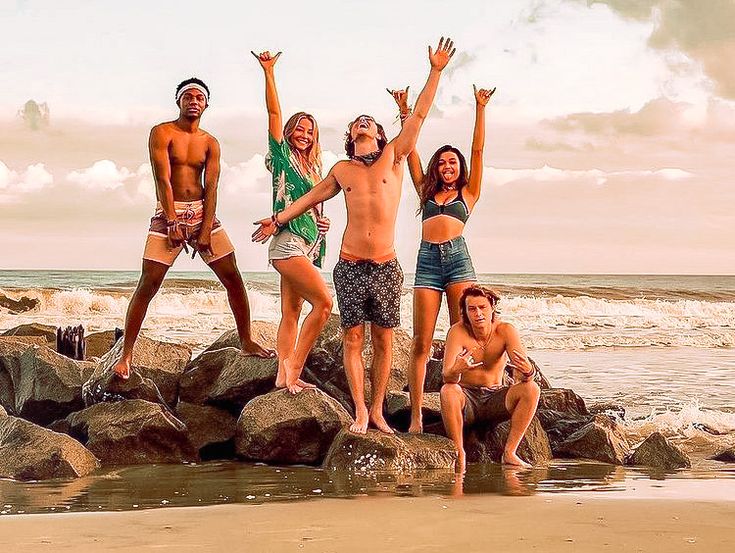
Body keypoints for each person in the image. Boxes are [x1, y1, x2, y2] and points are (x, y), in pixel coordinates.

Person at [253, 38, 456, 433]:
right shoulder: (342, 169)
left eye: (369, 121)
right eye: (357, 120)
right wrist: (277, 221)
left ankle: (378, 410)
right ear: (350, 133)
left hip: (384, 265)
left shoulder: (393, 156)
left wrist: (435, 71)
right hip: (348, 265)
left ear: (381, 135)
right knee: (351, 341)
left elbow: (419, 116)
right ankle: (360, 411)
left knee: (382, 343)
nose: (363, 121)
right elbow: (310, 197)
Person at [113, 78, 273, 379]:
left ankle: (246, 340)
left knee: (233, 277)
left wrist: (204, 228)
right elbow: (162, 178)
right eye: (188, 96)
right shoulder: (162, 132)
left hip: (202, 211)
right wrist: (172, 221)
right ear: (179, 101)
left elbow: (211, 186)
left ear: (206, 104)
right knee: (149, 283)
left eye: (200, 97)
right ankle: (126, 355)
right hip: (169, 211)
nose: (194, 100)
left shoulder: (210, 142)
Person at [388, 83, 495, 433]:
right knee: (421, 341)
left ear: (459, 167)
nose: (448, 166)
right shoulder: (425, 190)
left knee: (460, 332)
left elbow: (478, 150)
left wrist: (480, 108)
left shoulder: (470, 191)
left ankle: (464, 403)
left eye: (453, 161)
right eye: (443, 162)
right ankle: (417, 414)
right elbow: (411, 148)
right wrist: (405, 110)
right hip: (428, 262)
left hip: (458, 259)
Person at [252, 50, 334, 394]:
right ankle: (294, 368)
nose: (304, 134)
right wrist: (270, 72)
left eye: (309, 131)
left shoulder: (315, 168)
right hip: (288, 243)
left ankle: (282, 376)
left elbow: (311, 203)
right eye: (299, 129)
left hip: (311, 244)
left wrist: (322, 221)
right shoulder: (282, 155)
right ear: (289, 132)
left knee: (292, 311)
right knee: (325, 304)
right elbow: (273, 111)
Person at [439, 285, 540, 472]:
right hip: (467, 401)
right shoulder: (457, 332)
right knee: (448, 390)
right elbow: (447, 376)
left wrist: (529, 370)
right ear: (465, 312)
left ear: (492, 307)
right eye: (472, 309)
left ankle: (510, 453)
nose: (478, 313)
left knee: (532, 388)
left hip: (495, 399)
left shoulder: (505, 330)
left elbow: (523, 374)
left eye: (482, 307)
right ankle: (459, 453)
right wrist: (457, 370)